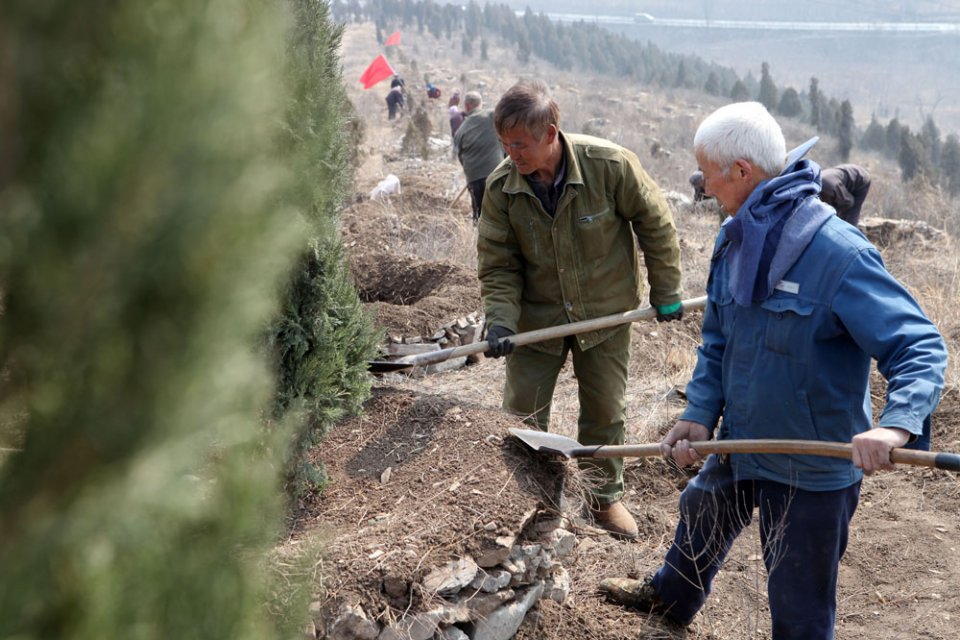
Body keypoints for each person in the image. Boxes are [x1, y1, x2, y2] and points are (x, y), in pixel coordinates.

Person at [599, 102, 946, 638]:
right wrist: (700, 412)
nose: (703, 187)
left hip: (811, 462)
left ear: (742, 171)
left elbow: (919, 345)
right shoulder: (737, 239)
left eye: (708, 175)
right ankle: (669, 601)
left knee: (798, 601)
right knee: (702, 514)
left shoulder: (839, 255)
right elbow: (718, 339)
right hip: (741, 440)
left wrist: (893, 425)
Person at [477, 80, 684, 540]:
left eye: (520, 144)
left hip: (606, 313)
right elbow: (498, 262)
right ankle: (532, 500)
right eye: (504, 144)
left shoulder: (609, 166)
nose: (512, 154)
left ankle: (603, 500)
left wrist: (666, 288)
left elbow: (656, 223)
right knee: (522, 415)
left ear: (550, 133)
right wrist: (501, 318)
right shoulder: (501, 188)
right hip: (536, 319)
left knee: (605, 410)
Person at [453, 91, 504, 223]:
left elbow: (460, 156)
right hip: (496, 173)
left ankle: (477, 238)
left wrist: (470, 172)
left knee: (479, 213)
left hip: (474, 177)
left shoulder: (460, 130)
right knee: (500, 211)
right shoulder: (492, 116)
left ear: (467, 106)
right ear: (480, 104)